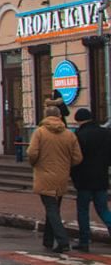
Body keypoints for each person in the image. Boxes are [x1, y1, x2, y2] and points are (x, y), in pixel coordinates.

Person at [28, 106, 82, 253]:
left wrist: (35, 164)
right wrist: (65, 165)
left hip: (44, 174)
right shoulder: (69, 134)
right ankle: (48, 240)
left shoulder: (40, 132)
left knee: (51, 209)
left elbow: (32, 153)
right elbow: (77, 158)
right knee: (53, 208)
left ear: (45, 115)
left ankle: (63, 241)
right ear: (59, 116)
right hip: (62, 176)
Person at [70, 107, 111, 252]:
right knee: (103, 209)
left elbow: (75, 158)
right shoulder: (105, 133)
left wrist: (73, 175)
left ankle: (84, 241)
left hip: (84, 179)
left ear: (79, 120)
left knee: (83, 210)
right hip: (101, 177)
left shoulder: (79, 135)